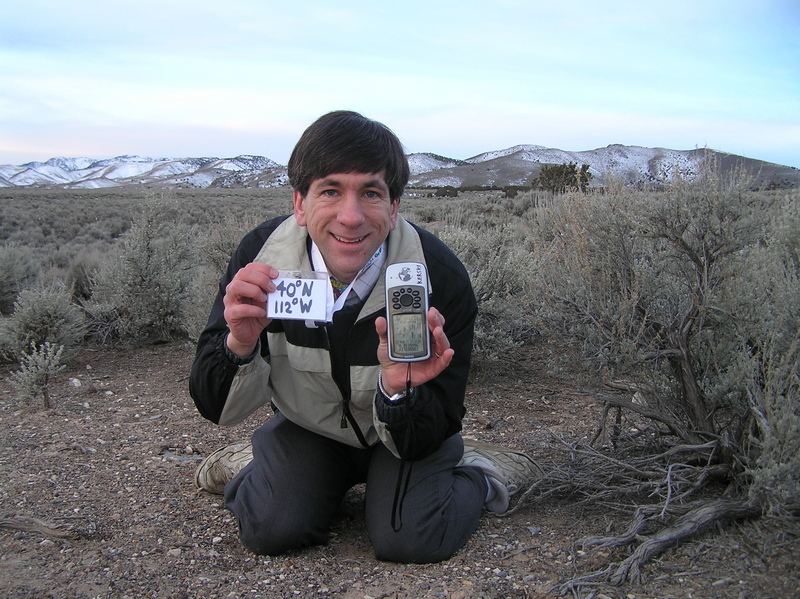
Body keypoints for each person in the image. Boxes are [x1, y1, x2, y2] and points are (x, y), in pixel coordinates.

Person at [189, 110, 542, 563]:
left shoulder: (439, 276)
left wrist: (399, 392)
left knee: (411, 538)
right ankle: (258, 467)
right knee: (273, 528)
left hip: (401, 436)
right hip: (309, 426)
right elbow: (214, 406)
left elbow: (440, 414)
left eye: (371, 193)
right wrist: (238, 345)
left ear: (394, 208)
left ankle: (483, 470)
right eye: (330, 191)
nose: (351, 217)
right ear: (300, 203)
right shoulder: (261, 260)